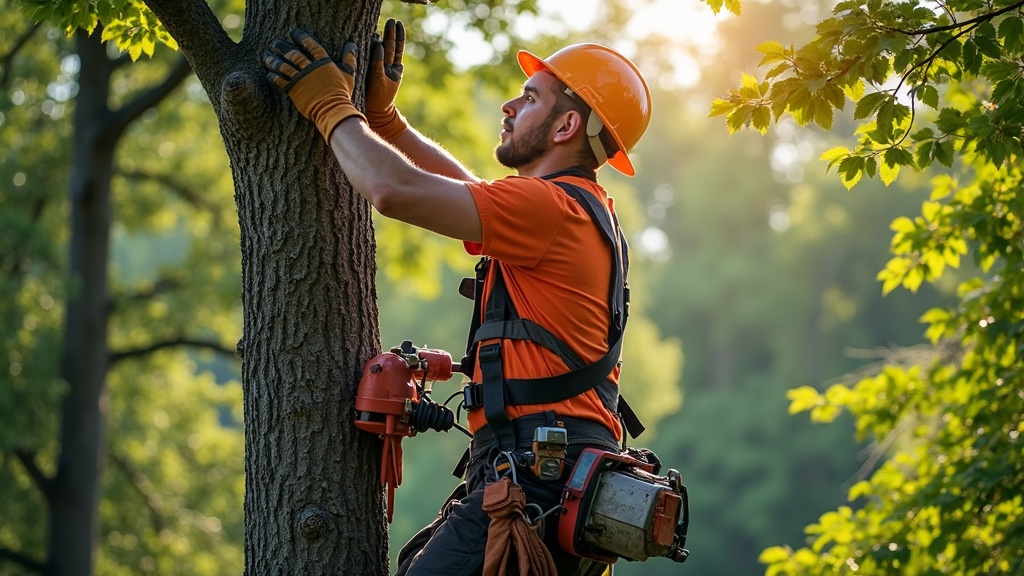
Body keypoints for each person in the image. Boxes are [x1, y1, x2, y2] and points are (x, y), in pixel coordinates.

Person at [264, 18, 652, 576]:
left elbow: (394, 191)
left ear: (567, 124)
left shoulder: (550, 210)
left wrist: (330, 107)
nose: (509, 105)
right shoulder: (576, 210)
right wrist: (386, 125)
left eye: (530, 97)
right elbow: (462, 190)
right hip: (557, 482)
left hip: (538, 482)